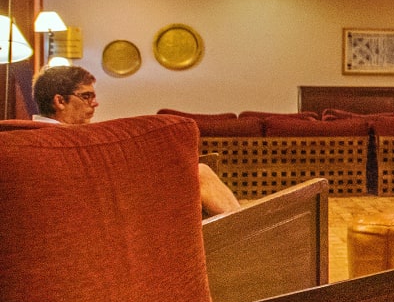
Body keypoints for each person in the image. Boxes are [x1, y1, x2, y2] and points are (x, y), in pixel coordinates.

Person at [31, 65, 242, 215]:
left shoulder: (34, 134)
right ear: (60, 101)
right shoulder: (59, 140)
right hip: (102, 206)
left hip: (101, 200)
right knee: (199, 174)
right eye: (86, 96)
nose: (95, 103)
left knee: (194, 179)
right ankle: (245, 232)